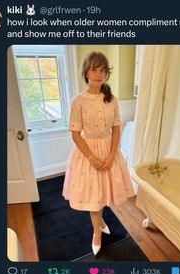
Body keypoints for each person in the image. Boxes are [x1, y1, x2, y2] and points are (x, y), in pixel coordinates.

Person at [63, 51, 134, 255]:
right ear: (86, 72)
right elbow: (76, 134)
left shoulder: (112, 99)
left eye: (103, 70)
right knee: (93, 194)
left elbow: (117, 127)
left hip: (109, 150)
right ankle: (97, 231)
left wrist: (112, 154)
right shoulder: (78, 101)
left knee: (103, 192)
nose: (99, 74)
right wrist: (92, 158)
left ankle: (100, 220)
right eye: (94, 69)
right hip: (88, 153)